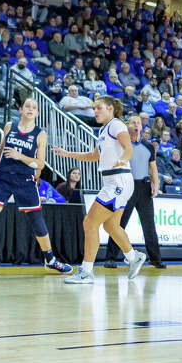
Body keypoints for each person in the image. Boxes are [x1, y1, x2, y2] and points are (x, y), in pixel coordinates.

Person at [0, 99, 73, 275]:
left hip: (25, 181)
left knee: (37, 222)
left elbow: (40, 163)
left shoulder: (41, 134)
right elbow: (1, 148)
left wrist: (19, 156)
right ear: (21, 110)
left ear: (37, 113)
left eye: (34, 107)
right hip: (3, 179)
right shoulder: (10, 126)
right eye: (28, 106)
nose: (31, 109)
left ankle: (51, 260)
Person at [52, 96, 147, 284]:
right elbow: (93, 156)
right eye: (94, 108)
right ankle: (133, 257)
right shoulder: (104, 130)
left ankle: (86, 271)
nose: (95, 111)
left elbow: (128, 148)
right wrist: (67, 153)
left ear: (110, 108)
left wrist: (123, 158)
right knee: (110, 225)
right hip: (114, 181)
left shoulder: (116, 125)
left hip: (118, 180)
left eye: (99, 108)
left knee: (89, 223)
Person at [104, 115, 165, 269]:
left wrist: (155, 184)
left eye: (138, 122)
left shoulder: (149, 146)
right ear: (127, 125)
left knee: (149, 226)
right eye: (133, 122)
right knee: (119, 223)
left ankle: (155, 258)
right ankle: (110, 258)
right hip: (126, 186)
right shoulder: (121, 145)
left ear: (142, 126)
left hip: (144, 188)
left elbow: (153, 167)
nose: (136, 125)